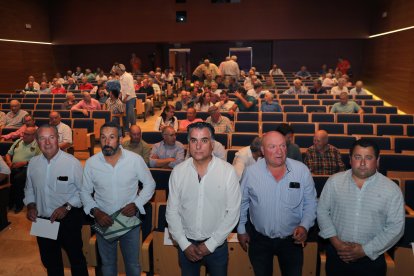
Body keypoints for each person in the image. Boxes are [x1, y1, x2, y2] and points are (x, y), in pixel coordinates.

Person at [317, 139, 405, 276]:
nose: (363, 163)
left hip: (372, 261)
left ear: (378, 160)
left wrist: (365, 250)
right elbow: (322, 211)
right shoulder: (334, 182)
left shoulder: (391, 189)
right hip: (337, 256)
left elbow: (396, 227)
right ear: (350, 159)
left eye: (368, 157)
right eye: (358, 157)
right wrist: (337, 243)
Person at [237, 131, 317, 276]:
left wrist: (305, 225)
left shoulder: (301, 171)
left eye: (282, 146)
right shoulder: (250, 173)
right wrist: (241, 229)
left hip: (292, 240)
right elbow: (242, 202)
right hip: (259, 240)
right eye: (272, 146)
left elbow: (310, 202)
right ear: (262, 150)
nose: (279, 151)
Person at [166, 122, 241, 276]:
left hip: (217, 246)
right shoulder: (178, 172)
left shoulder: (228, 172)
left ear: (212, 144)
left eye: (204, 141)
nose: (198, 146)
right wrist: (184, 244)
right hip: (186, 245)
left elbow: (233, 212)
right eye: (194, 140)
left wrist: (211, 244)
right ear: (188, 144)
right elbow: (172, 212)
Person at [81, 122, 155, 276]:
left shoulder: (134, 160)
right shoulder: (91, 163)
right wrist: (95, 211)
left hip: (128, 221)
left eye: (112, 137)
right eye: (103, 137)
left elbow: (150, 184)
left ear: (120, 139)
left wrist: (137, 204)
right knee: (107, 265)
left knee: (133, 265)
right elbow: (84, 192)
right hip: (104, 220)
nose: (107, 142)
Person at [24, 125, 88, 276]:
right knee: (51, 263)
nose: (47, 142)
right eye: (42, 138)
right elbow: (29, 189)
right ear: (36, 141)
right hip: (43, 220)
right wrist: (31, 205)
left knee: (76, 260)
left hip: (69, 220)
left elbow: (83, 192)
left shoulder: (72, 163)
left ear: (58, 139)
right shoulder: (33, 163)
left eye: (51, 137)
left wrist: (67, 207)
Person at [6, 127, 41, 213]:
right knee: (5, 176)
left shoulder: (38, 145)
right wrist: (9, 162)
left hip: (29, 168)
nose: (24, 136)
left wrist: (25, 163)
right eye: (24, 133)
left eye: (27, 134)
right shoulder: (18, 141)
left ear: (34, 136)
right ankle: (8, 202)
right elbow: (8, 154)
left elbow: (40, 160)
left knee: (18, 179)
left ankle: (18, 204)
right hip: (13, 166)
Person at [114, 64, 137, 132]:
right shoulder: (121, 76)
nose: (116, 71)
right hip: (125, 97)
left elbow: (131, 87)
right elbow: (122, 87)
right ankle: (128, 128)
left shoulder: (128, 76)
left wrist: (126, 97)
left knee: (130, 113)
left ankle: (132, 127)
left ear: (121, 70)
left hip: (130, 97)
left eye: (117, 70)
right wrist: (120, 94)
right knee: (127, 113)